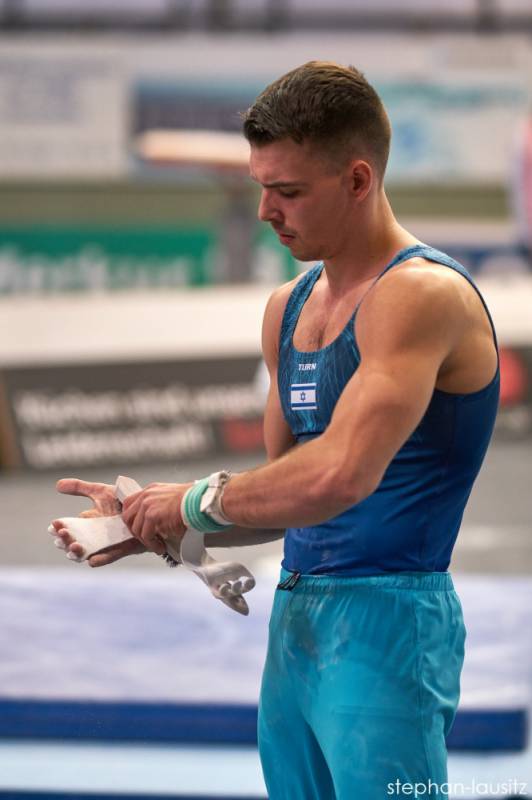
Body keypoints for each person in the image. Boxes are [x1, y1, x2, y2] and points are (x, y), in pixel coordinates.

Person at [54, 61, 500, 799]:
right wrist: (158, 526)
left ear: (358, 180)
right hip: (296, 626)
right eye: (261, 186)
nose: (265, 210)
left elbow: (341, 474)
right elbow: (284, 500)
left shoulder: (420, 295)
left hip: (390, 625)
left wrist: (192, 501)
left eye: (287, 191)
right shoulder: (287, 308)